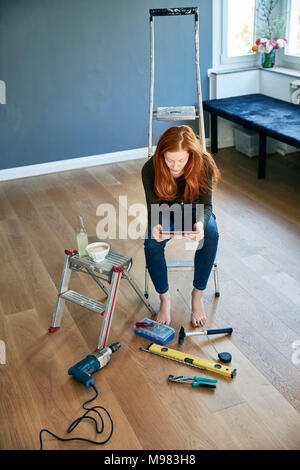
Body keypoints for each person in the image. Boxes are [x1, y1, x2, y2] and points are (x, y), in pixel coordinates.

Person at [142, 125, 220, 327]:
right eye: (170, 160)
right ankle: (164, 299)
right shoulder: (150, 169)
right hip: (165, 211)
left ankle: (197, 295)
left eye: (181, 161)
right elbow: (153, 208)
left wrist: (201, 224)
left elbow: (207, 204)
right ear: (161, 155)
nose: (175, 166)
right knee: (151, 243)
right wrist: (156, 226)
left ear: (191, 155)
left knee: (210, 233)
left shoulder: (204, 165)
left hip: (195, 208)